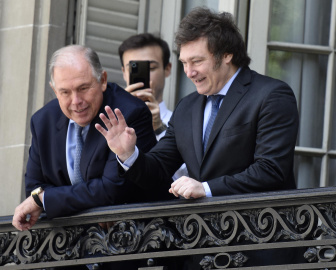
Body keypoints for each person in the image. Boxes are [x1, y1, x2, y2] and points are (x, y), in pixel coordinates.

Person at [96, 7, 303, 267]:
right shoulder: (187, 107)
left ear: (227, 54)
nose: (189, 72)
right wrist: (127, 154)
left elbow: (270, 170)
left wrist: (205, 189)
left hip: (259, 247)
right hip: (199, 249)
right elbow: (158, 169)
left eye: (197, 61)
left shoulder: (272, 95)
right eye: (184, 63)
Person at [12, 45, 169, 233]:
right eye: (65, 92)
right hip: (65, 247)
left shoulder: (129, 112)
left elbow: (111, 189)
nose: (76, 101)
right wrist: (45, 198)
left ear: (103, 80)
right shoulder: (42, 121)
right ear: (54, 90)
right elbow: (34, 188)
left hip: (126, 245)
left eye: (83, 88)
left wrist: (45, 200)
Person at [119, 33, 188, 179]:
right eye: (135, 68)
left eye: (150, 68)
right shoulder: (108, 119)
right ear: (124, 72)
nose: (144, 76)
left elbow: (186, 177)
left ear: (167, 69)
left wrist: (159, 127)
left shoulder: (185, 124)